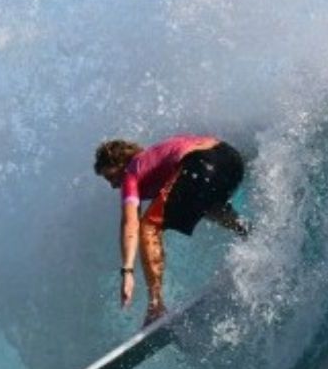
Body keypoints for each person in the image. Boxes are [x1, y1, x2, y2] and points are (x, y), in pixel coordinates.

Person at [94, 135, 248, 326]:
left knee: (148, 225)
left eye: (110, 176)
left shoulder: (131, 172)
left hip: (199, 162)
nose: (113, 185)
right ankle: (250, 235)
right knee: (203, 204)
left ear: (120, 163)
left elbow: (130, 222)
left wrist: (127, 271)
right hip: (231, 161)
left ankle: (156, 306)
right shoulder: (155, 158)